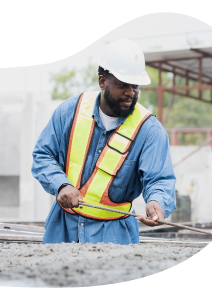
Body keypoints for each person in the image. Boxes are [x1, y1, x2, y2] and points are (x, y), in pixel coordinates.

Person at [31, 38, 176, 244]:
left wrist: (157, 202)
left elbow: (159, 179)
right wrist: (61, 185)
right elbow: (43, 155)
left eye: (135, 86)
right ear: (102, 82)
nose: (130, 93)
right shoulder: (70, 112)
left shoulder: (150, 131)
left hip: (115, 235)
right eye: (122, 85)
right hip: (63, 229)